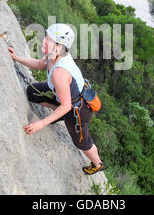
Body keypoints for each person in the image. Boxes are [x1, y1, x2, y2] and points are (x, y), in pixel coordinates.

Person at [8, 23, 105, 175]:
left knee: (82, 142)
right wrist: (17, 58)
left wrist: (41, 123)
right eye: (46, 37)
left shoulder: (59, 72)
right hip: (64, 95)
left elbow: (66, 106)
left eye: (49, 39)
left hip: (77, 110)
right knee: (32, 91)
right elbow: (41, 64)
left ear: (59, 47)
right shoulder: (54, 54)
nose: (44, 40)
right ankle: (57, 111)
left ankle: (97, 164)